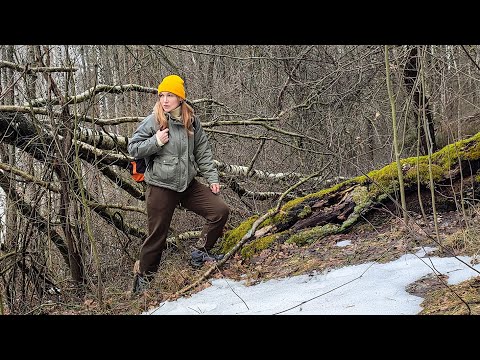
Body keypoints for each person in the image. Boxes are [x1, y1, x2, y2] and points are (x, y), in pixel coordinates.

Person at [127, 74, 230, 296]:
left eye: (170, 95)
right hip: (161, 186)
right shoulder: (154, 120)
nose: (164, 100)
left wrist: (212, 178)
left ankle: (200, 253)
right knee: (157, 236)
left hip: (187, 184)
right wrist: (155, 141)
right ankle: (143, 282)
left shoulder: (190, 120)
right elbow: (133, 148)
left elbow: (202, 151)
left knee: (220, 211)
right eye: (162, 95)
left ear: (180, 98)